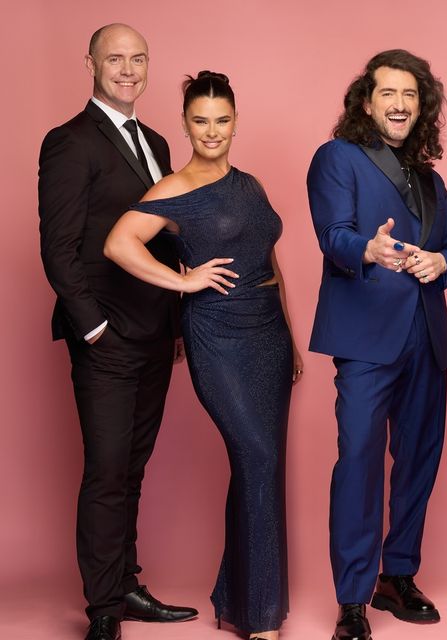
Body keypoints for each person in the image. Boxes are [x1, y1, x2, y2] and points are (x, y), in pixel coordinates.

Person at [104, 71, 301, 640]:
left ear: (235, 121)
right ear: (185, 123)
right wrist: (182, 283)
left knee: (259, 469)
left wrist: (287, 332)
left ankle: (242, 599)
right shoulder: (173, 189)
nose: (211, 131)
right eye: (199, 121)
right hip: (218, 336)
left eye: (221, 120)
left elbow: (269, 260)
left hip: (268, 336)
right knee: (258, 460)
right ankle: (263, 622)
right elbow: (118, 243)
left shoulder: (252, 184)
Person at [38, 23, 198, 640]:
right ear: (91, 63)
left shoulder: (156, 141)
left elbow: (168, 236)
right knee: (106, 471)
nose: (127, 69)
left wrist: (177, 321)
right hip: (106, 337)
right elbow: (58, 251)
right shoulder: (68, 142)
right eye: (115, 59)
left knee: (132, 467)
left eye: (137, 59)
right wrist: (94, 327)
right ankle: (103, 608)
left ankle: (126, 583)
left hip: (156, 331)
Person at [306, 49, 447, 640]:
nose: (400, 105)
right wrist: (366, 250)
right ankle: (352, 600)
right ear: (367, 101)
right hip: (366, 337)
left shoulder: (430, 175)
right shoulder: (337, 158)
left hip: (426, 335)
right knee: (358, 462)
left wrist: (440, 262)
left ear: (421, 106)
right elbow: (335, 235)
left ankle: (396, 576)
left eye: (411, 95)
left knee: (419, 460)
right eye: (388, 94)